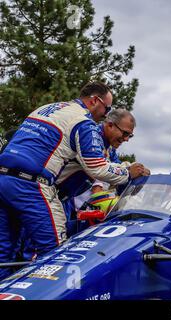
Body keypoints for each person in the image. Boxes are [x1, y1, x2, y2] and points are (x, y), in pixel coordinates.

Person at [0, 82, 148, 280]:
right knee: (54, 255)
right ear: (95, 101)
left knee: (3, 253)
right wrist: (128, 173)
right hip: (32, 186)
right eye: (108, 108)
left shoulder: (48, 108)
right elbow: (97, 167)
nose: (106, 114)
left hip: (3, 179)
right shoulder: (83, 122)